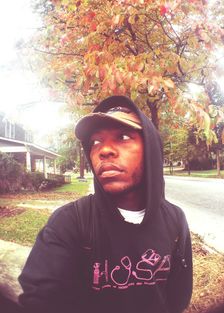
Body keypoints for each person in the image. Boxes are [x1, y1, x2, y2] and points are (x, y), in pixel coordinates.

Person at [18, 95, 193, 313]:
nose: (104, 150)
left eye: (123, 136)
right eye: (95, 142)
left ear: (151, 151)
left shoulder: (175, 220)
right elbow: (40, 300)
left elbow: (178, 298)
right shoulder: (69, 223)